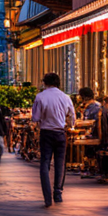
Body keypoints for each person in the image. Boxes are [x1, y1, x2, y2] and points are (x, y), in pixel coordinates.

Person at [32, 72, 76, 208]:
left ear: (45, 82)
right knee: (60, 163)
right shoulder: (65, 97)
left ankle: (47, 197)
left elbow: (35, 118)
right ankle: (58, 192)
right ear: (58, 83)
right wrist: (70, 125)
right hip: (60, 133)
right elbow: (72, 116)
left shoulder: (40, 97)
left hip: (46, 133)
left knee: (45, 163)